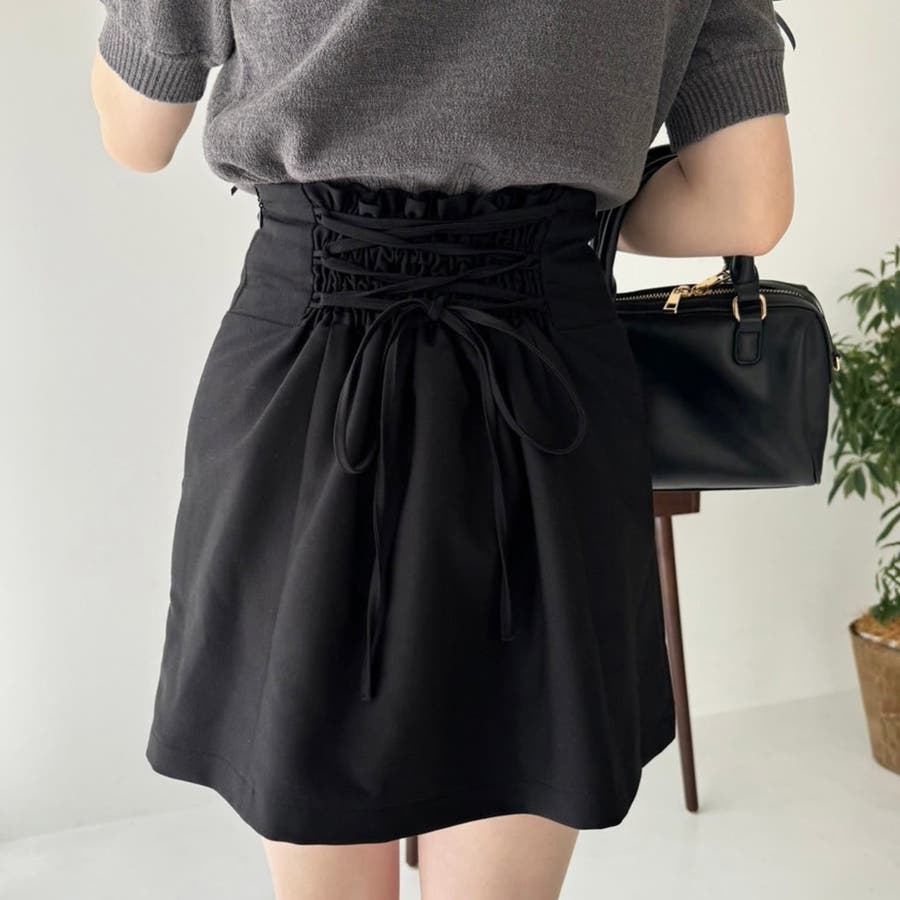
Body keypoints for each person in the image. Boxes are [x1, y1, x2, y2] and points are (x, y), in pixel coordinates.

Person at [90, 1, 794, 898]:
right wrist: (564, 194)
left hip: (306, 382)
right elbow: (746, 202)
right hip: (547, 390)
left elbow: (138, 132)